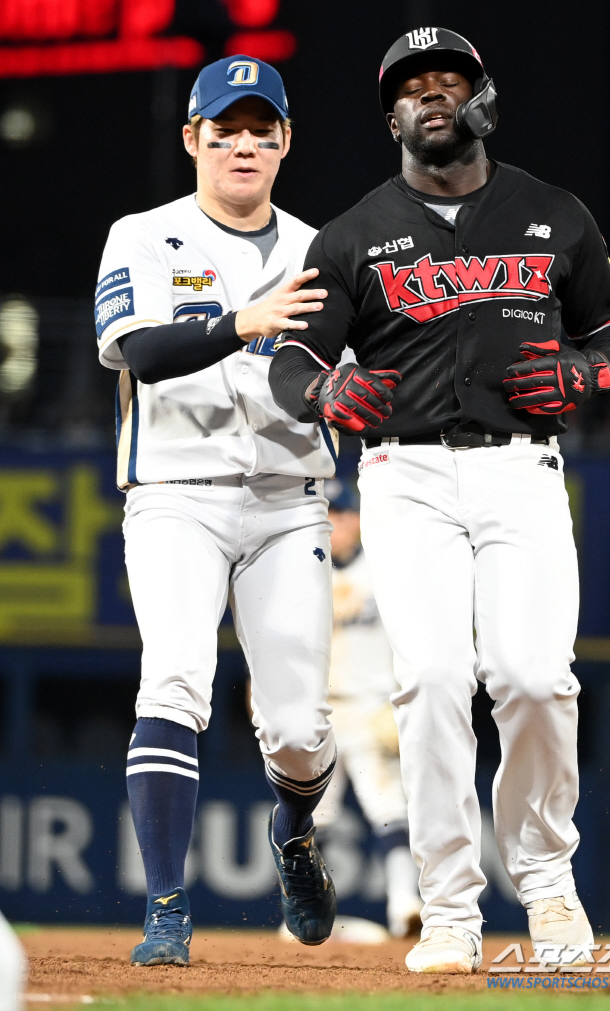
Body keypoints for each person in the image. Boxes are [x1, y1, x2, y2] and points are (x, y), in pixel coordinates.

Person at [269, 28, 610, 973]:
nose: (431, 94)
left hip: (523, 470)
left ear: (483, 100)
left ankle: (547, 881)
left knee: (534, 677)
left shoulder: (555, 213)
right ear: (391, 118)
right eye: (412, 87)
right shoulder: (353, 234)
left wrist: (589, 372)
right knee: (431, 681)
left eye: (449, 80)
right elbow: (290, 362)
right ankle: (447, 909)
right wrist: (323, 390)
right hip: (407, 477)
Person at [95, 55, 339, 964]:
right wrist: (242, 321)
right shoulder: (142, 235)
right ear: (192, 138)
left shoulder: (325, 249)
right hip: (174, 496)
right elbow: (138, 352)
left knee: (300, 733)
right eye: (224, 129)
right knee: (173, 681)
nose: (242, 145)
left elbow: (353, 376)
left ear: (285, 142)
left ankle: (293, 832)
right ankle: (166, 905)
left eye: (259, 130)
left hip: (290, 502)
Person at [312, 477, 422, 938]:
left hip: (372, 708)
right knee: (311, 817)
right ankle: (306, 913)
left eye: (344, 514)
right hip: (317, 711)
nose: (337, 522)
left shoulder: (383, 568)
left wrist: (404, 700)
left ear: (358, 519)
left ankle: (404, 904)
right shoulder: (304, 570)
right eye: (329, 513)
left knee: (389, 808)